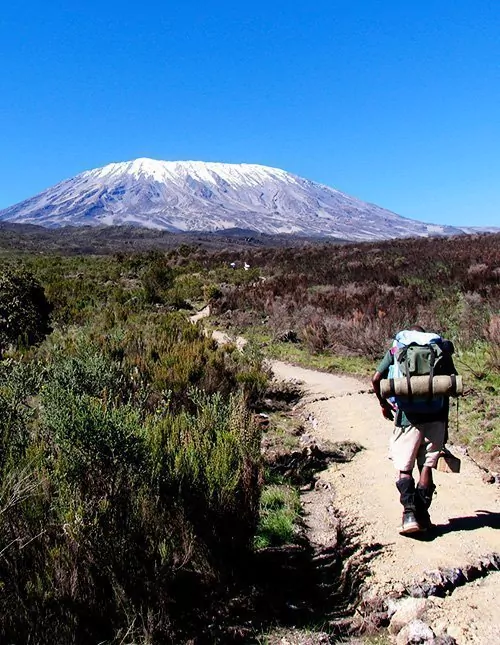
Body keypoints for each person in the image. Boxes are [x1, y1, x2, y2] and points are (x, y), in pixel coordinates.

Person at [372, 325, 457, 535]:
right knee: (426, 466)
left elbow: (376, 379)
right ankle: (423, 517)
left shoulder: (397, 349)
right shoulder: (440, 349)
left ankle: (409, 515)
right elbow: (452, 384)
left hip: (407, 417)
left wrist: (384, 404)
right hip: (436, 416)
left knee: (404, 466)